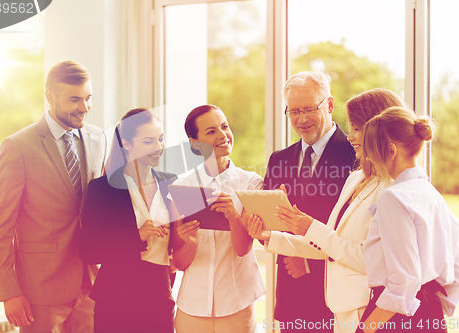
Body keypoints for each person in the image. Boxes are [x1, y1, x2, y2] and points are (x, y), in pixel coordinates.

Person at [247, 89, 405, 333]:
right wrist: (271, 237)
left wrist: (309, 230)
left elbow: (375, 260)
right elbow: (331, 238)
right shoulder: (357, 178)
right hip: (337, 307)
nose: (351, 136)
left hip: (364, 308)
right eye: (294, 111)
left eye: (356, 128)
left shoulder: (394, 189)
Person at [0, 60, 106, 332]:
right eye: (75, 99)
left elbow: (97, 208)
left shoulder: (98, 138)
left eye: (88, 98)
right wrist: (9, 291)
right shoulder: (18, 147)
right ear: (49, 96)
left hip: (90, 284)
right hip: (38, 291)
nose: (84, 107)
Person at [356, 107, 459, 333]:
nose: (368, 158)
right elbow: (458, 275)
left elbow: (404, 281)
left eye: (371, 151)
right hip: (431, 316)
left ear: (391, 150)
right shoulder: (433, 195)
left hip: (395, 319)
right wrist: (431, 314)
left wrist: (367, 328)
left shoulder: (393, 197)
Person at [262, 71, 355, 331]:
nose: (301, 120)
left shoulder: (356, 155)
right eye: (293, 112)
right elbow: (270, 226)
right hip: (291, 296)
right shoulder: (278, 160)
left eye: (309, 109)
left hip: (335, 296)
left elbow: (356, 232)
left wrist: (309, 261)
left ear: (330, 105)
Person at [79, 108, 177, 333]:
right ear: (127, 143)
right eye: (149, 141)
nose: (159, 147)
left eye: (161, 139)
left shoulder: (170, 183)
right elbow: (88, 250)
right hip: (116, 299)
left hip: (160, 296)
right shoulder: (102, 189)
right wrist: (136, 236)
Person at [171, 104, 265, 333]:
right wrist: (190, 242)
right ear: (195, 143)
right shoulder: (180, 187)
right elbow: (179, 262)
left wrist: (234, 217)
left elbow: (243, 249)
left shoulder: (250, 184)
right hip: (191, 306)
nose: (223, 135)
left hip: (236, 304)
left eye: (224, 127)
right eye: (211, 131)